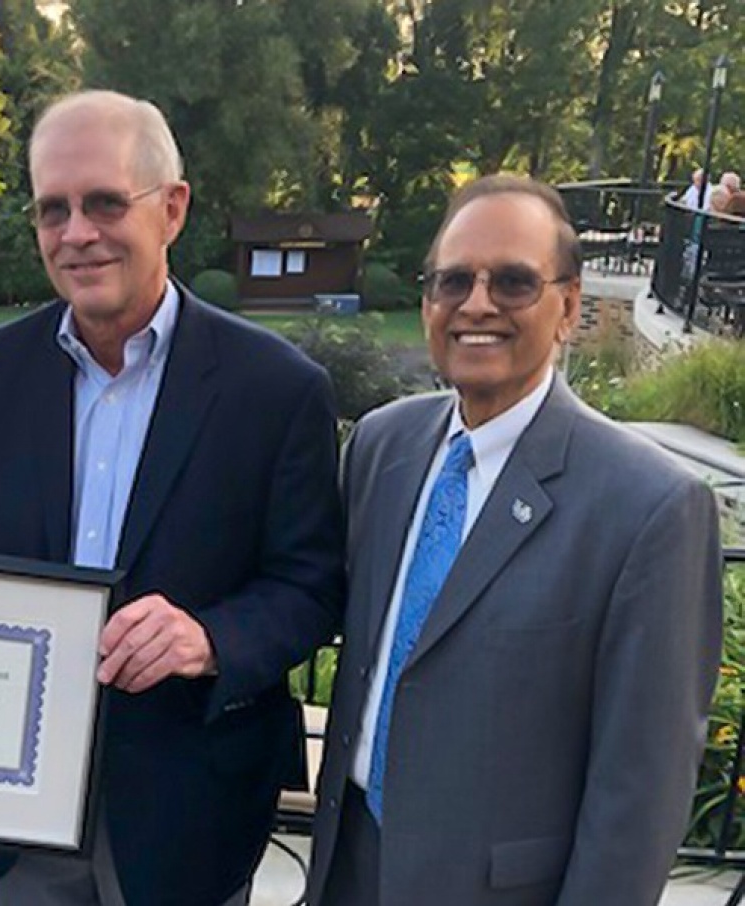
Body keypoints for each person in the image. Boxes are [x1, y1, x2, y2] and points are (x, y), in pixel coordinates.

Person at [0, 89, 345, 906]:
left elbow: (311, 586)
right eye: (52, 209)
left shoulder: (277, 390)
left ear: (172, 208)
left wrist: (208, 638)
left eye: (102, 202)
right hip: (15, 805)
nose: (77, 233)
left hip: (189, 803)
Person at [307, 174, 722, 906]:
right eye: (453, 280)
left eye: (513, 282)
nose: (476, 305)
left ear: (567, 305)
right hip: (350, 869)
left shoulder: (649, 508)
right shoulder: (381, 447)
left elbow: (640, 794)